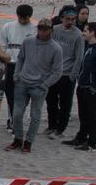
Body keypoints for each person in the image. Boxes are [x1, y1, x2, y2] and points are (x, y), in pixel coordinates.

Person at [7, 19, 62, 154]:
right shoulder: (28, 41)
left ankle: (29, 142)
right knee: (17, 114)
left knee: (35, 115)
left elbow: (57, 72)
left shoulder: (56, 48)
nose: (42, 32)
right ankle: (18, 139)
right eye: (40, 29)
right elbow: (20, 58)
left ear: (51, 31)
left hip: (39, 86)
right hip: (22, 82)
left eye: (45, 29)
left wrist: (44, 85)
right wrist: (17, 75)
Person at [67, 21, 96, 149]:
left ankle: (92, 142)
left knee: (91, 115)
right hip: (82, 86)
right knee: (83, 114)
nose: (83, 33)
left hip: (91, 88)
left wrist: (95, 88)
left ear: (93, 33)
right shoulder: (88, 47)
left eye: (85, 31)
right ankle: (81, 137)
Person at [45, 10, 85, 137]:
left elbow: (79, 57)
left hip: (67, 74)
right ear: (62, 18)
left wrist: (73, 75)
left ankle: (60, 128)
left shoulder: (78, 35)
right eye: (68, 19)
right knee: (51, 100)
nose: (70, 22)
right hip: (52, 72)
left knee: (65, 103)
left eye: (73, 19)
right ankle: (51, 125)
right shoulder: (55, 30)